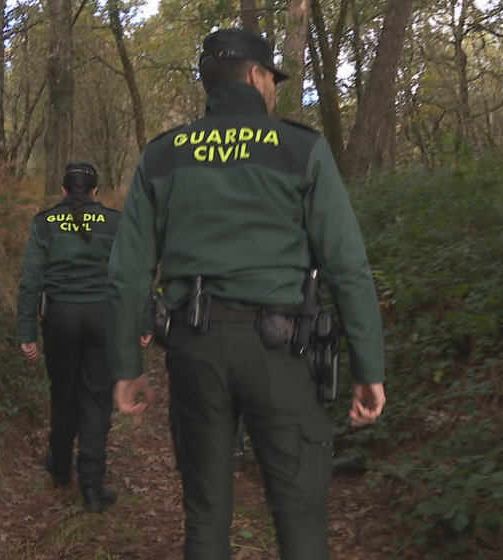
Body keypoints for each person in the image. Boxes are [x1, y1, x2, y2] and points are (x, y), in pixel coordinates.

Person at [106, 28, 387, 559]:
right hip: (279, 355)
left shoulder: (164, 155)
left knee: (206, 517)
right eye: (273, 80)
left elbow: (126, 273)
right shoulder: (302, 148)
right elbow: (348, 267)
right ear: (257, 77)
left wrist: (128, 365)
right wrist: (368, 369)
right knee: (299, 512)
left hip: (195, 350)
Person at [16, 162, 121, 513]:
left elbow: (31, 281)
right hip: (104, 317)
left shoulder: (44, 223)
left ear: (62, 190)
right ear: (95, 191)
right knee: (96, 399)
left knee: (63, 393)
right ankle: (91, 486)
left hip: (60, 318)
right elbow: (130, 275)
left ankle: (60, 468)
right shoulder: (113, 221)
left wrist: (27, 332)